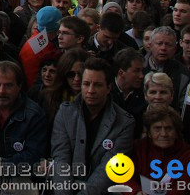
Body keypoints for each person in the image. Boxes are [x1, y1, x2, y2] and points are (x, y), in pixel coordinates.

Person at [50, 57, 134, 195]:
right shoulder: (65, 113)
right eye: (86, 84)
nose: (90, 90)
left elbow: (109, 169)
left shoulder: (124, 123)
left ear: (108, 88)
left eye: (98, 85)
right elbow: (60, 158)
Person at [125, 105, 190, 195]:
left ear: (176, 132)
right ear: (149, 132)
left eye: (169, 128)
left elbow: (184, 186)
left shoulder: (189, 154)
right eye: (157, 129)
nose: (163, 134)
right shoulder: (137, 148)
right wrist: (136, 192)